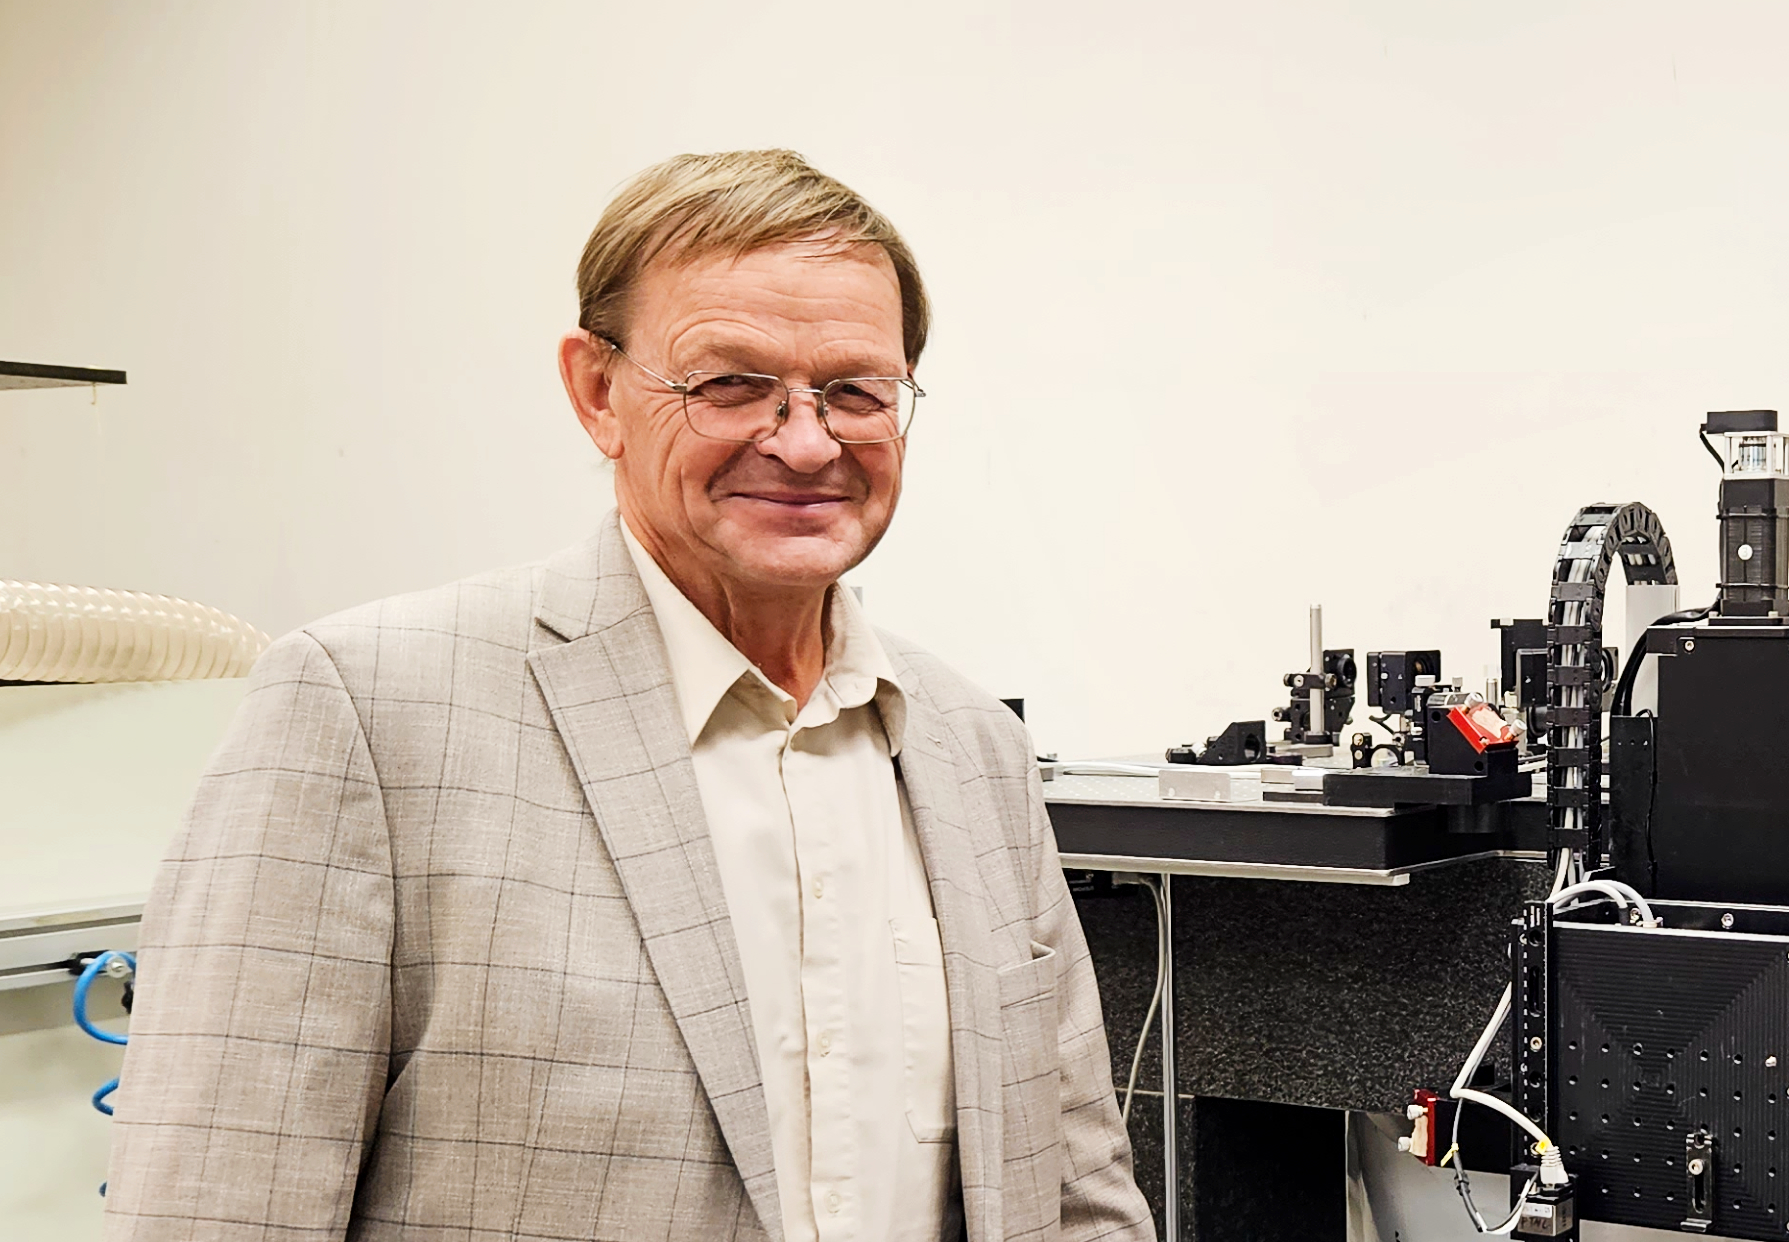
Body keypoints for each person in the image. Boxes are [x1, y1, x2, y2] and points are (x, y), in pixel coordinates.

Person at [103, 149, 1152, 1242]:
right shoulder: (370, 712)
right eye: (729, 384)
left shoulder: (969, 748)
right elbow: (215, 1208)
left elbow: (1075, 1192)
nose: (806, 444)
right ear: (596, 392)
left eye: (854, 392)